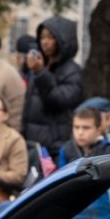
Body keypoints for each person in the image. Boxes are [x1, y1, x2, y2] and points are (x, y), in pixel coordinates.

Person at [20, 15, 88, 153]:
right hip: (34, 145)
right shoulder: (40, 67)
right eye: (42, 37)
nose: (45, 42)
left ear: (63, 40)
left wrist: (40, 72)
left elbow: (58, 100)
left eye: (51, 37)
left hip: (56, 146)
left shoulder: (73, 71)